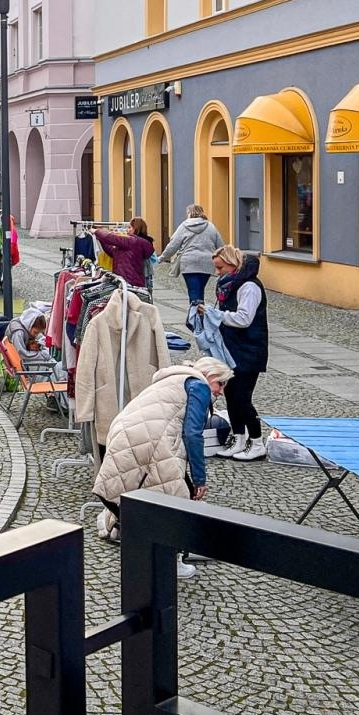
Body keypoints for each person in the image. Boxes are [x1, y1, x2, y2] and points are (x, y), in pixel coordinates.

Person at [92, 356, 234, 576]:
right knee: (174, 493)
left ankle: (118, 528)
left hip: (123, 430)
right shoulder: (199, 386)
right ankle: (171, 560)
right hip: (148, 439)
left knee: (134, 485)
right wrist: (200, 479)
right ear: (211, 376)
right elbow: (193, 434)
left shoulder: (174, 378)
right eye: (220, 384)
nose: (220, 392)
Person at [204, 245, 268, 462]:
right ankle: (239, 438)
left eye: (220, 267)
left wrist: (216, 315)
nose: (218, 272)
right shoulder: (232, 284)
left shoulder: (249, 286)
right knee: (231, 396)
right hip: (233, 348)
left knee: (242, 398)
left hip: (249, 350)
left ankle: (257, 442)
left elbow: (244, 319)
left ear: (233, 264)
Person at [158, 204, 225, 305]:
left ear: (189, 213)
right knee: (200, 290)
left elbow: (173, 245)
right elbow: (221, 246)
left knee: (194, 292)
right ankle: (199, 315)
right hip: (207, 263)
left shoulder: (184, 226)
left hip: (189, 263)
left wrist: (162, 258)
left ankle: (195, 317)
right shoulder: (211, 227)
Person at [94, 217, 158, 288]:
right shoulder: (134, 242)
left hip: (130, 281)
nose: (127, 230)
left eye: (130, 227)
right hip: (128, 280)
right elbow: (113, 253)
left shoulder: (132, 241)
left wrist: (96, 231)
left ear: (136, 228)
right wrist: (101, 239)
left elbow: (111, 238)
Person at [3, 300, 53, 372]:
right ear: (30, 325)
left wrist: (42, 342)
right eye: (35, 332)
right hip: (22, 364)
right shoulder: (18, 332)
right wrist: (42, 355)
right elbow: (23, 354)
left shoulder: (24, 323)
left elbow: (39, 337)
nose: (35, 335)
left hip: (24, 359)